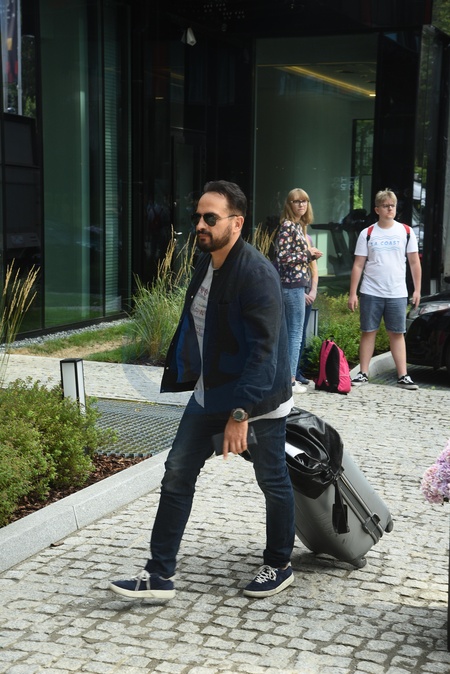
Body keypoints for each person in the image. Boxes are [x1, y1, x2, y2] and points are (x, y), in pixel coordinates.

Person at [109, 180, 296, 600]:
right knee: (177, 472)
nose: (200, 225)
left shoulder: (256, 274)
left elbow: (264, 353)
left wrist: (240, 415)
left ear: (237, 222)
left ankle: (279, 563)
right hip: (210, 394)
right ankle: (159, 575)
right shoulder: (205, 263)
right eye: (197, 217)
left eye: (210, 218)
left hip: (257, 401)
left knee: (272, 479)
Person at [348, 188, 422, 390]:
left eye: (392, 206)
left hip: (397, 292)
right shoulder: (367, 233)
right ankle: (363, 373)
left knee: (397, 333)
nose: (390, 209)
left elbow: (414, 262)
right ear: (377, 209)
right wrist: (353, 293)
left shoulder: (406, 232)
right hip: (371, 290)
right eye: (385, 206)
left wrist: (417, 290)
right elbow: (358, 265)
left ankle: (403, 375)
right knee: (368, 331)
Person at [274, 188, 322, 394]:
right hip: (292, 286)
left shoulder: (297, 226)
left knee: (291, 334)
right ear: (289, 204)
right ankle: (290, 380)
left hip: (296, 285)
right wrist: (307, 254)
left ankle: (287, 378)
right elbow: (283, 258)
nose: (301, 204)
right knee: (294, 334)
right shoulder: (288, 226)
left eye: (305, 201)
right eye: (296, 201)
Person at [296, 255, 319, 384]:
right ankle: (290, 372)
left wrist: (313, 291)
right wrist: (299, 294)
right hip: (294, 293)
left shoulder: (309, 244)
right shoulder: (288, 243)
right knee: (293, 333)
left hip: (308, 293)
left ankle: (296, 370)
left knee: (301, 333)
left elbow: (314, 270)